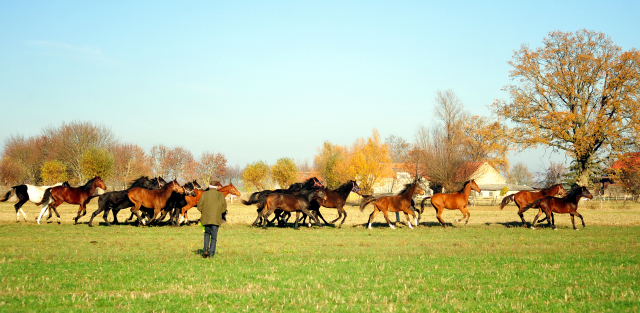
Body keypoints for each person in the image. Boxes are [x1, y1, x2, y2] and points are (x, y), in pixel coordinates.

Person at [197, 186, 227, 258]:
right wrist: (219, 212)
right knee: (214, 236)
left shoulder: (204, 194)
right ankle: (211, 253)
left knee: (207, 234)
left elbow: (199, 206)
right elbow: (224, 207)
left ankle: (205, 250)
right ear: (217, 187)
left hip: (206, 218)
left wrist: (203, 211)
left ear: (209, 186)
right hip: (216, 219)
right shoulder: (221, 195)